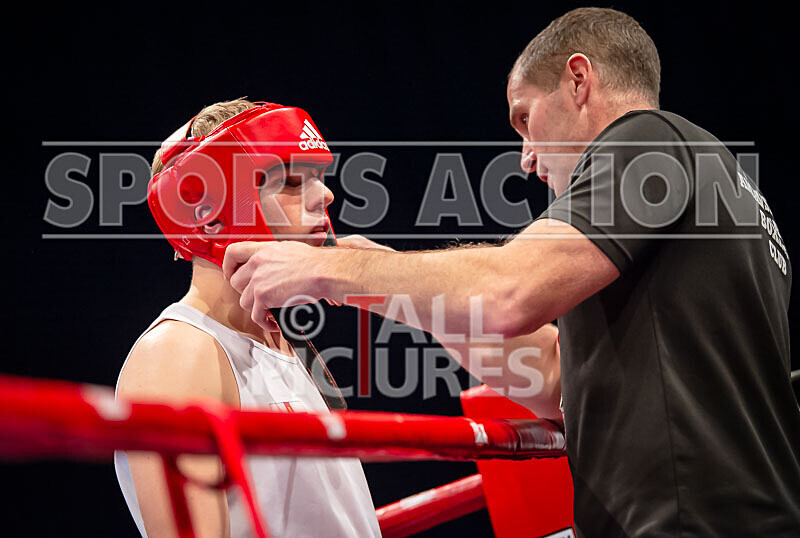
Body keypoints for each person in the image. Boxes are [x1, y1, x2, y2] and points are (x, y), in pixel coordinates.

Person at [222, 8, 800, 536]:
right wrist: (381, 280)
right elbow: (551, 376)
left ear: (579, 80)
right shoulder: (714, 187)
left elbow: (509, 291)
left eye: (525, 118)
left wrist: (331, 269)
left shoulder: (648, 141)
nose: (525, 157)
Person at [114, 98, 381, 538]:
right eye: (292, 180)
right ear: (210, 213)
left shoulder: (286, 340)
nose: (326, 196)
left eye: (317, 177)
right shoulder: (178, 354)